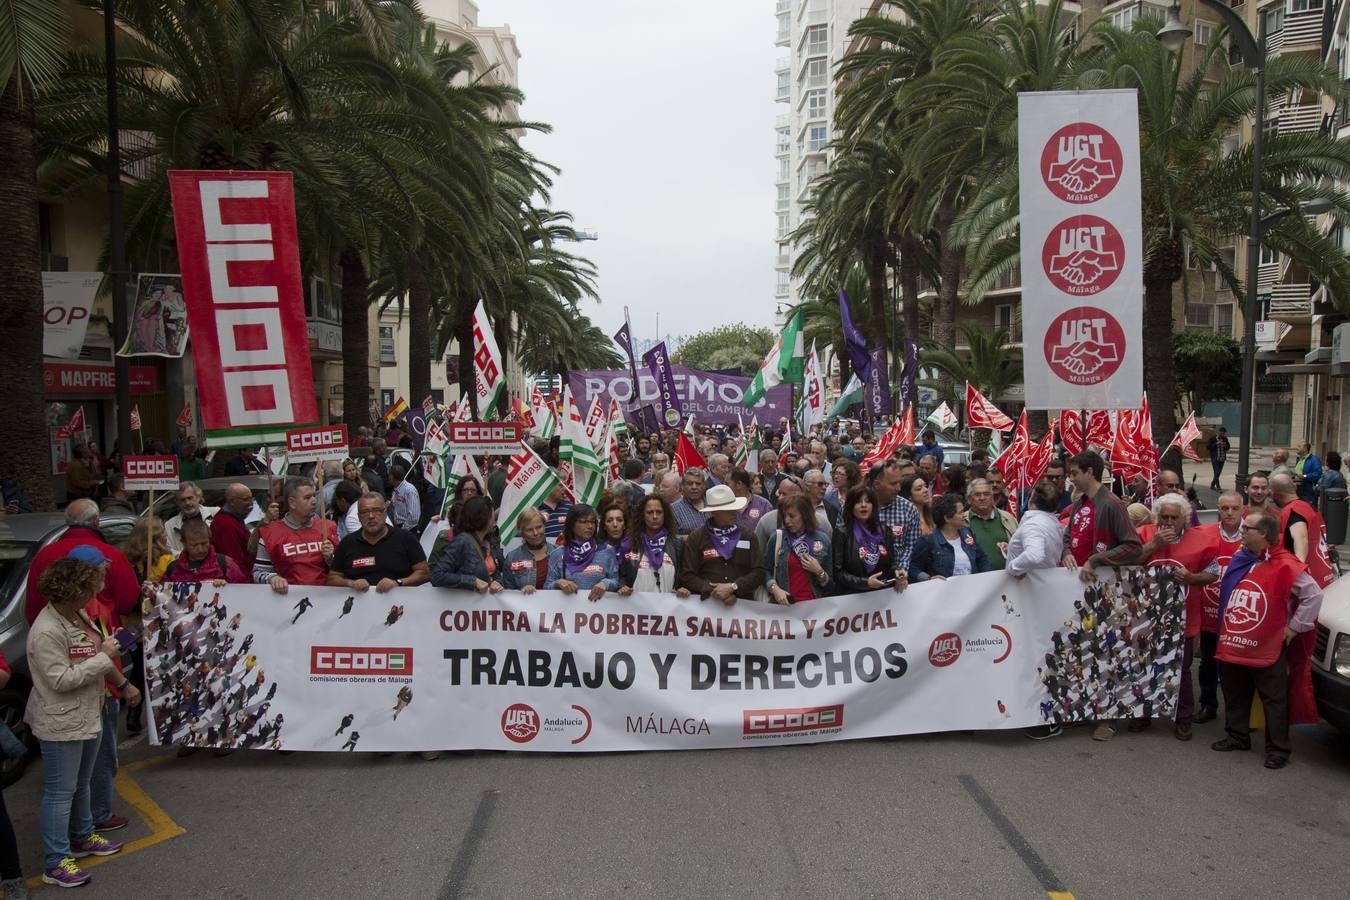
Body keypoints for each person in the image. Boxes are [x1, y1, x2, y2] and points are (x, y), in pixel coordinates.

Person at [28, 557, 132, 888]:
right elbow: (60, 680)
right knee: (60, 792)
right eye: (89, 589)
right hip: (61, 723)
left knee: (82, 782)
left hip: (87, 713)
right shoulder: (46, 631)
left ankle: (83, 835)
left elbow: (91, 656)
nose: (94, 594)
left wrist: (118, 678)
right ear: (74, 591)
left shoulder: (76, 615)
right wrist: (104, 654)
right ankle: (56, 861)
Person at [1212, 510, 1322, 769]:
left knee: (1274, 698)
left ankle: (1278, 749)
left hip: (1267, 643)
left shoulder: (1286, 563)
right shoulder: (1243, 558)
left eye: (1247, 528)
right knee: (1235, 691)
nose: (1242, 531)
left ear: (1263, 533)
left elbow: (1313, 595)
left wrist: (1294, 628)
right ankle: (1237, 735)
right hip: (1236, 639)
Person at [1059, 452, 1141, 742]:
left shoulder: (1112, 505)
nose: (1071, 476)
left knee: (1106, 655)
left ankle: (1109, 717)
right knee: (1079, 653)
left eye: (1075, 471)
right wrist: (1068, 552)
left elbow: (1134, 547)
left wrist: (1096, 560)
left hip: (1103, 593)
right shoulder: (1079, 503)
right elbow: (1069, 536)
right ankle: (1083, 709)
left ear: (1091, 472)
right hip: (1076, 592)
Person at [1139, 493, 1220, 741]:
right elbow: (1128, 563)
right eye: (1164, 517)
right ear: (1157, 517)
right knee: (1145, 665)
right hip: (1147, 616)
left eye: (1175, 518)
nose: (1169, 522)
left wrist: (1192, 579)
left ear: (1184, 519)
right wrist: (1153, 545)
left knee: (1182, 670)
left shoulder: (1202, 539)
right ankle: (1143, 713)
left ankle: (1183, 718)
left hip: (1183, 617)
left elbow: (1214, 573)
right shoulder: (1143, 533)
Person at [1269, 471, 1336, 726]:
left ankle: (1298, 711)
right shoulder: (1309, 507)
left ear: (1275, 494)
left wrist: (1295, 570)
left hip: (1307, 593)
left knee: (1300, 657)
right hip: (1323, 583)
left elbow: (1301, 539)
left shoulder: (1294, 514)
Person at [25, 500, 139, 627]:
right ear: (96, 521)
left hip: (54, 627)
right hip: (103, 629)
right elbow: (127, 601)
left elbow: (33, 602)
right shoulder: (112, 555)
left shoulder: (44, 554)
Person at [1193, 491, 1245, 724]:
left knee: (1237, 668)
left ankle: (1239, 715)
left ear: (1242, 509)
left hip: (1239, 617)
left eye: (1234, 508)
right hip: (1210, 612)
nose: (1229, 513)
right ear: (1219, 510)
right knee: (1207, 662)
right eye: (1224, 508)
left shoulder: (1252, 534)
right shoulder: (1205, 533)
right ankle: (1207, 703)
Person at [329, 493, 430, 594]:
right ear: (359, 517)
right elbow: (332, 578)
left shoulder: (405, 538)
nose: (371, 516)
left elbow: (424, 573)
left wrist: (398, 583)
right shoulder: (347, 543)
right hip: (357, 606)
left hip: (399, 606)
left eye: (376, 510)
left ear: (385, 513)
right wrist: (351, 583)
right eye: (365, 512)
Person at [253, 477, 338, 594]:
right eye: (307, 498)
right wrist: (272, 578)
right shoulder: (270, 534)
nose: (314, 501)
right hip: (289, 602)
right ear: (292, 503)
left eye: (313, 495)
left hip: (327, 603)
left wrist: (330, 559)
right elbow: (258, 572)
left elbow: (344, 571)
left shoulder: (329, 528)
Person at [681, 485, 763, 605]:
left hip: (743, 608)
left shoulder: (748, 536)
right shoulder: (696, 537)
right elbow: (688, 575)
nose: (734, 512)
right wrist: (712, 590)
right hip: (706, 607)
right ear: (713, 513)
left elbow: (758, 572)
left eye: (734, 508)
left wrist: (734, 588)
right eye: (728, 509)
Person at [831, 485, 904, 594]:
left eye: (868, 501)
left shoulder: (885, 530)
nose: (863, 505)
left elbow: (891, 563)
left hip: (882, 595)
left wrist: (897, 572)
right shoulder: (842, 533)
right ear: (851, 506)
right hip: (853, 597)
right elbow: (838, 574)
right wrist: (866, 583)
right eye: (858, 502)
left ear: (874, 506)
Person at [763, 494, 832, 604]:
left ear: (805, 515)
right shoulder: (777, 538)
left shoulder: (823, 539)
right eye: (784, 516)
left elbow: (830, 585)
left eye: (792, 516)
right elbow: (765, 570)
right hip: (785, 607)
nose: (786, 521)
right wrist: (774, 588)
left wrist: (820, 572)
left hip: (814, 609)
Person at [544, 504, 620, 601]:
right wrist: (558, 583)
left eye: (593, 522)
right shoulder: (558, 554)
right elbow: (546, 587)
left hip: (600, 612)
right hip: (569, 613)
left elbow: (616, 581)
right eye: (583, 522)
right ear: (571, 524)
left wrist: (606, 583)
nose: (590, 526)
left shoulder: (607, 551)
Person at [431, 496, 506, 593]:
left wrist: (498, 582)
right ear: (484, 518)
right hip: (465, 604)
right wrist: (473, 581)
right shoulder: (462, 542)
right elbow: (437, 575)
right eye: (492, 515)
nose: (494, 520)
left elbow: (495, 573)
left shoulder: (491, 541)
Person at [909, 493, 991, 582]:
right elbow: (913, 568)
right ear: (947, 518)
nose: (964, 515)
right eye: (960, 512)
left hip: (972, 590)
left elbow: (982, 559)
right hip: (943, 592)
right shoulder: (928, 540)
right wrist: (928, 578)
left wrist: (987, 580)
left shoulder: (968, 533)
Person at [621, 495, 690, 596]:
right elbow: (621, 576)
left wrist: (683, 589)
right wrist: (622, 587)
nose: (654, 516)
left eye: (659, 512)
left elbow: (684, 576)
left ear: (665, 515)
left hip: (668, 608)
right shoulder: (630, 543)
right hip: (635, 609)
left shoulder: (677, 544)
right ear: (642, 515)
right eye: (649, 512)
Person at [1005, 482, 1066, 579]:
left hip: (1027, 585)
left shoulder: (1033, 525)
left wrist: (1012, 568)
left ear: (1031, 502)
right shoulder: (1053, 523)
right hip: (1042, 582)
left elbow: (1034, 556)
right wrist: (1012, 548)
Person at [163, 518, 249, 585]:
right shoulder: (173, 568)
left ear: (210, 539)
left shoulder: (226, 564)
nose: (200, 549)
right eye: (194, 545)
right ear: (183, 543)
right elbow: (163, 597)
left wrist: (227, 587)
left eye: (204, 543)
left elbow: (242, 591)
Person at [966, 478, 1017, 570]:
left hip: (1007, 578)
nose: (982, 498)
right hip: (973, 580)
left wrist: (1010, 549)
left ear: (992, 498)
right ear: (969, 499)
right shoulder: (962, 521)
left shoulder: (1008, 518)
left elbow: (1020, 549)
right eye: (977, 494)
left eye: (986, 494)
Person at [503, 508, 556, 594]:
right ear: (522, 533)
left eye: (539, 527)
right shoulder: (512, 558)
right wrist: (520, 592)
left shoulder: (559, 553)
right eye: (529, 530)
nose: (535, 533)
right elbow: (507, 593)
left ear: (544, 526)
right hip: (524, 607)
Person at [211, 483, 258, 573]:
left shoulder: (236, 519)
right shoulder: (224, 525)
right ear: (231, 501)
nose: (250, 503)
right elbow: (233, 562)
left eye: (251, 498)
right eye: (245, 499)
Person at [163, 482, 219, 553]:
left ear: (198, 497)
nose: (187, 503)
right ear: (177, 502)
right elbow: (169, 550)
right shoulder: (170, 525)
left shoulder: (216, 514)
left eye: (190, 498)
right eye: (182, 500)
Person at [122, 518, 175, 584]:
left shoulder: (128, 559)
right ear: (155, 538)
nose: (166, 534)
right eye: (163, 532)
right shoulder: (167, 560)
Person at [730, 468, 772, 533]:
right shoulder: (726, 504)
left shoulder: (764, 504)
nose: (726, 486)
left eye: (728, 483)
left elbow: (770, 531)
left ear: (739, 484)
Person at [672, 468, 710, 536]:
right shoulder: (673, 510)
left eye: (698, 484)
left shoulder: (713, 504)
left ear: (704, 486)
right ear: (682, 486)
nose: (694, 487)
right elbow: (671, 538)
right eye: (690, 484)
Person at [387, 461, 420, 531]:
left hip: (407, 528)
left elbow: (413, 516)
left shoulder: (409, 490)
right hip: (398, 525)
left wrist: (403, 530)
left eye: (389, 475)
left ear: (392, 476)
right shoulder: (396, 489)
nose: (388, 477)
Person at [1292, 440, 1323, 504]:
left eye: (1299, 446)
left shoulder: (1314, 459)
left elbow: (1318, 474)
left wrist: (1305, 476)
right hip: (1298, 490)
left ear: (1305, 448)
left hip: (1308, 492)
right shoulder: (1299, 459)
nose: (1296, 448)